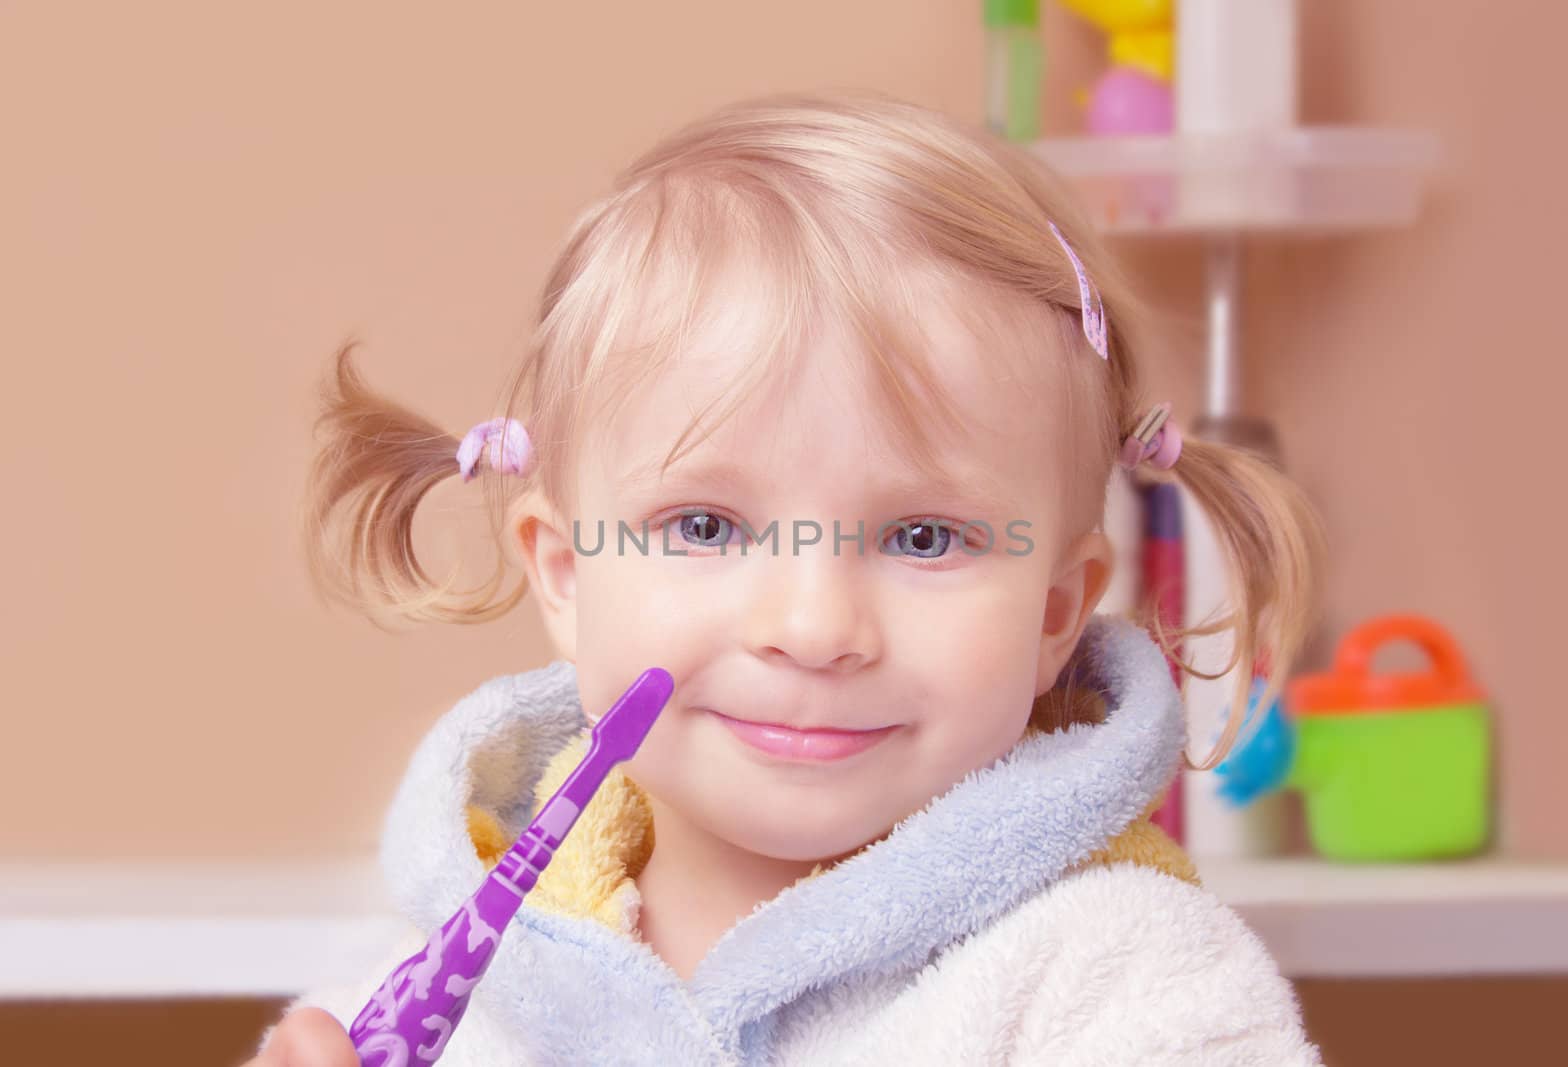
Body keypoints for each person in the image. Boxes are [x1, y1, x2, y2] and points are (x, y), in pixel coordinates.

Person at [247, 91, 1324, 1065]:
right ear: (567, 576)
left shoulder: (1123, 981)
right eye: (707, 524)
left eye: (922, 539)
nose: (813, 627)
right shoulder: (444, 998)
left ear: (1054, 609)